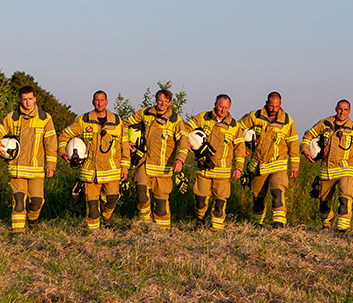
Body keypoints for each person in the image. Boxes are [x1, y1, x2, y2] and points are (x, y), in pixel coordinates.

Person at [58, 91, 130, 232]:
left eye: (102, 100)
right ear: (93, 102)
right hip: (90, 172)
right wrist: (62, 151)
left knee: (112, 199)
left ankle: (107, 216)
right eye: (97, 100)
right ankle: (94, 235)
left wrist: (125, 168)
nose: (99, 103)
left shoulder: (117, 121)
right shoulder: (84, 120)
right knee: (92, 208)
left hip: (111, 171)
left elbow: (124, 146)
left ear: (107, 102)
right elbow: (65, 134)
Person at [0, 85, 58, 235]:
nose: (27, 102)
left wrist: (51, 165)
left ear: (35, 99)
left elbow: (51, 143)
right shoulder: (12, 117)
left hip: (37, 170)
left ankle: (32, 221)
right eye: (24, 99)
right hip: (17, 169)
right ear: (20, 100)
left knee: (37, 201)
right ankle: (17, 232)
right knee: (19, 201)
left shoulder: (45, 118)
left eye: (30, 99)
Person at [125, 88, 189, 229]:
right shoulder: (146, 113)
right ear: (156, 100)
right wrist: (126, 141)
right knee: (141, 194)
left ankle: (162, 231)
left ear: (169, 102)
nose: (162, 104)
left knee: (161, 205)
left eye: (165, 101)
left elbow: (183, 142)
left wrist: (180, 160)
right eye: (160, 101)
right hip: (144, 162)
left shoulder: (175, 120)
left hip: (164, 167)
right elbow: (124, 123)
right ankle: (145, 224)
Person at [302, 100, 353, 232]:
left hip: (345, 169)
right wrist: (305, 150)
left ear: (349, 111)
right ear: (336, 109)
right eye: (340, 109)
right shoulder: (325, 123)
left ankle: (342, 229)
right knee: (324, 203)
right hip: (326, 170)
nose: (342, 112)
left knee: (345, 198)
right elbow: (308, 135)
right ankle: (326, 224)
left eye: (345, 110)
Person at [240, 92, 300, 228]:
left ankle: (279, 222)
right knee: (257, 198)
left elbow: (294, 144)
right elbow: (237, 129)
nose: (274, 109)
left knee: (277, 192)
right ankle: (257, 223)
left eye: (277, 106)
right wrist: (242, 146)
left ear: (280, 105)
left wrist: (295, 166)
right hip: (258, 165)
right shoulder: (254, 116)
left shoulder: (287, 121)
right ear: (266, 103)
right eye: (271, 106)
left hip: (279, 164)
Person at [185, 94, 245, 231]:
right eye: (220, 106)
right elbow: (185, 127)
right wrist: (187, 142)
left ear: (229, 108)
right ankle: (200, 220)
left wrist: (239, 168)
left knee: (220, 201)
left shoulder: (234, 126)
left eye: (226, 108)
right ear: (215, 104)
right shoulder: (203, 118)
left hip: (222, 172)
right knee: (200, 200)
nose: (222, 110)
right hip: (203, 169)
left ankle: (216, 228)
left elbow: (240, 149)